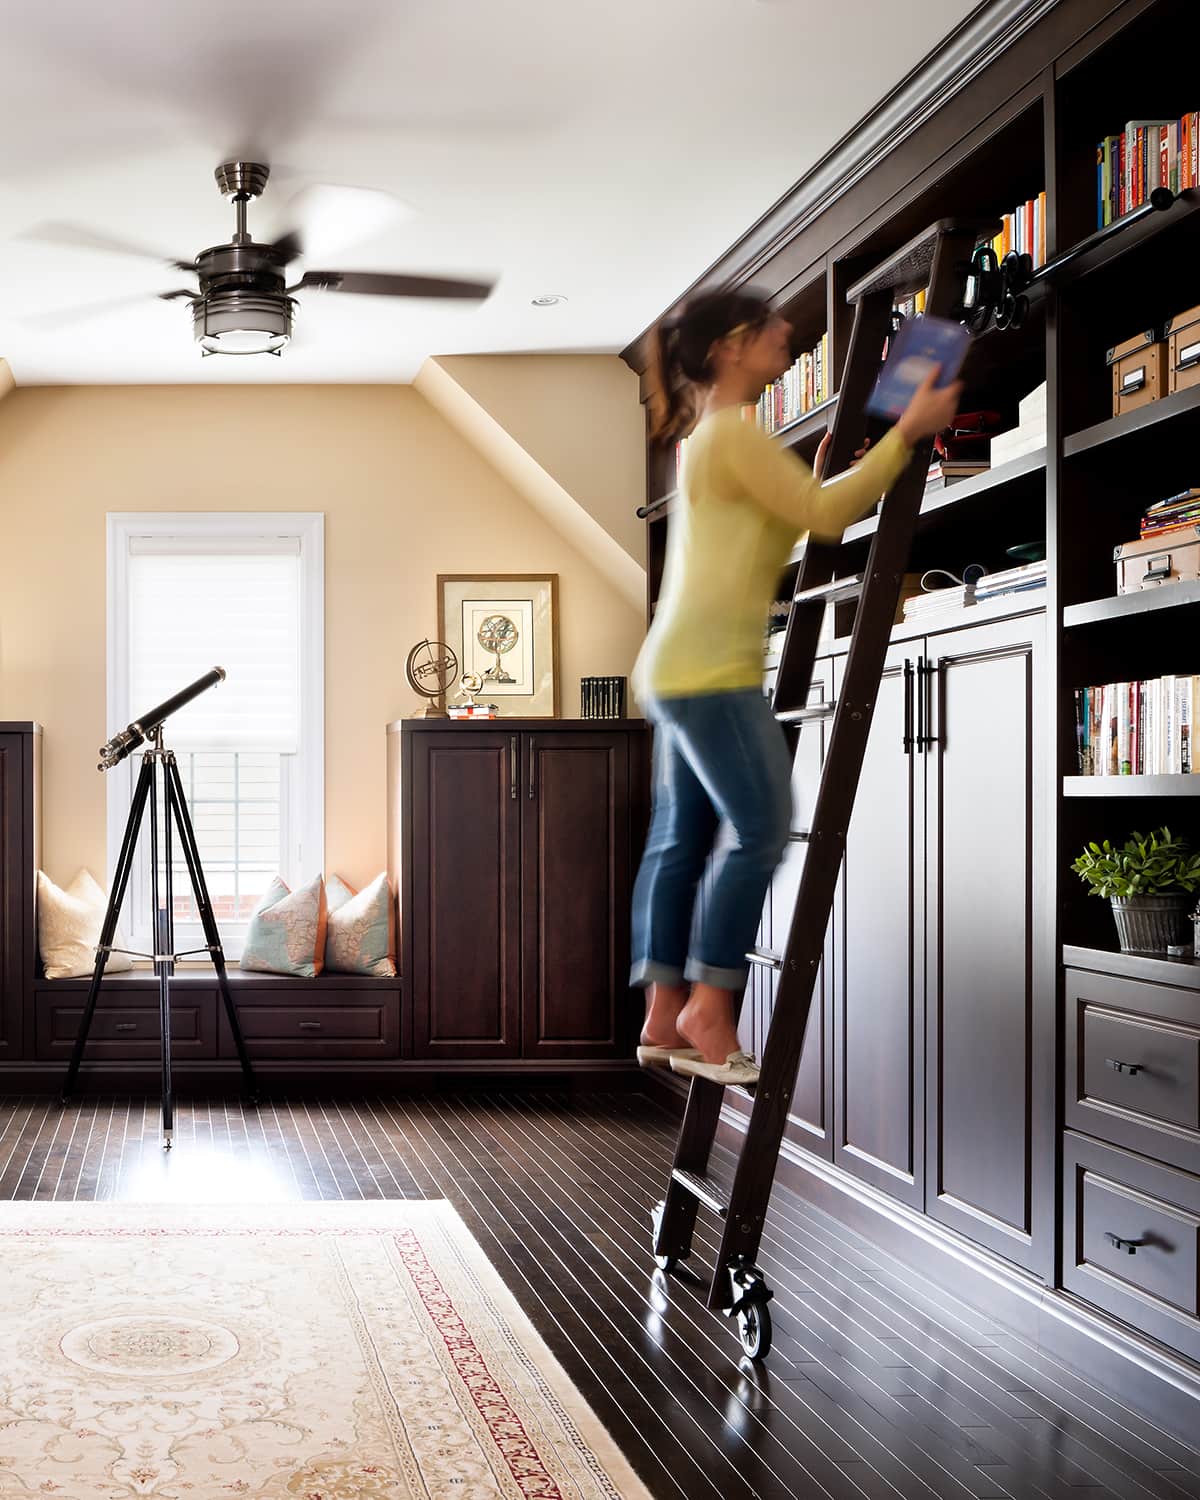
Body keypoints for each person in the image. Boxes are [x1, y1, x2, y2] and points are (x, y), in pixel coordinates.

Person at [631, 288, 962, 1086]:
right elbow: (824, 519)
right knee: (763, 829)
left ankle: (663, 1009)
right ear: (733, 347)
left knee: (680, 842)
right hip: (712, 672)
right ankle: (711, 1003)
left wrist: (812, 479)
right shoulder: (731, 434)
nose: (788, 332)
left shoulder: (713, 443)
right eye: (772, 326)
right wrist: (908, 436)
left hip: (676, 668)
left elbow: (780, 524)